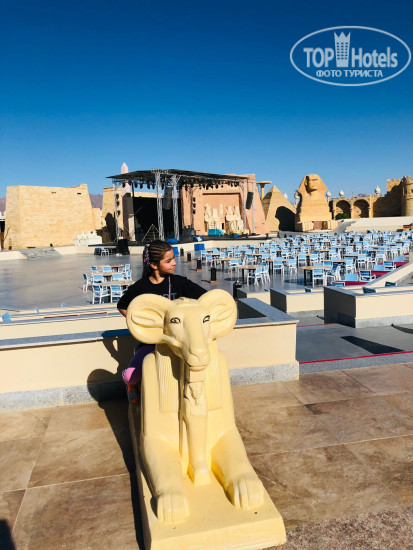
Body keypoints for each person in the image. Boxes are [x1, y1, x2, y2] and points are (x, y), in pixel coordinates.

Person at [117, 240, 207, 402]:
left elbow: (204, 299)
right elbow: (122, 306)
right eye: (168, 260)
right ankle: (131, 386)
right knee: (130, 376)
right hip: (152, 343)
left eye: (173, 258)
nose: (174, 263)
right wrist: (140, 326)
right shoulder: (141, 287)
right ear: (153, 264)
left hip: (179, 341)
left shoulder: (179, 283)